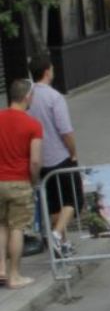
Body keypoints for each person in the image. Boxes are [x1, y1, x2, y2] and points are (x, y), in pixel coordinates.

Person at [27, 57, 79, 257]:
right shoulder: (54, 97)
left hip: (39, 159)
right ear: (47, 72)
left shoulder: (27, 97)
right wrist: (73, 151)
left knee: (55, 204)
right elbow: (65, 130)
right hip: (59, 156)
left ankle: (62, 245)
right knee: (74, 200)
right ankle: (57, 235)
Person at [0, 80, 43, 289]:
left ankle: (0, 269)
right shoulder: (32, 124)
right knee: (17, 228)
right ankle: (14, 275)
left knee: (0, 225)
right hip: (19, 181)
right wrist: (33, 180)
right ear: (27, 97)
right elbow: (35, 161)